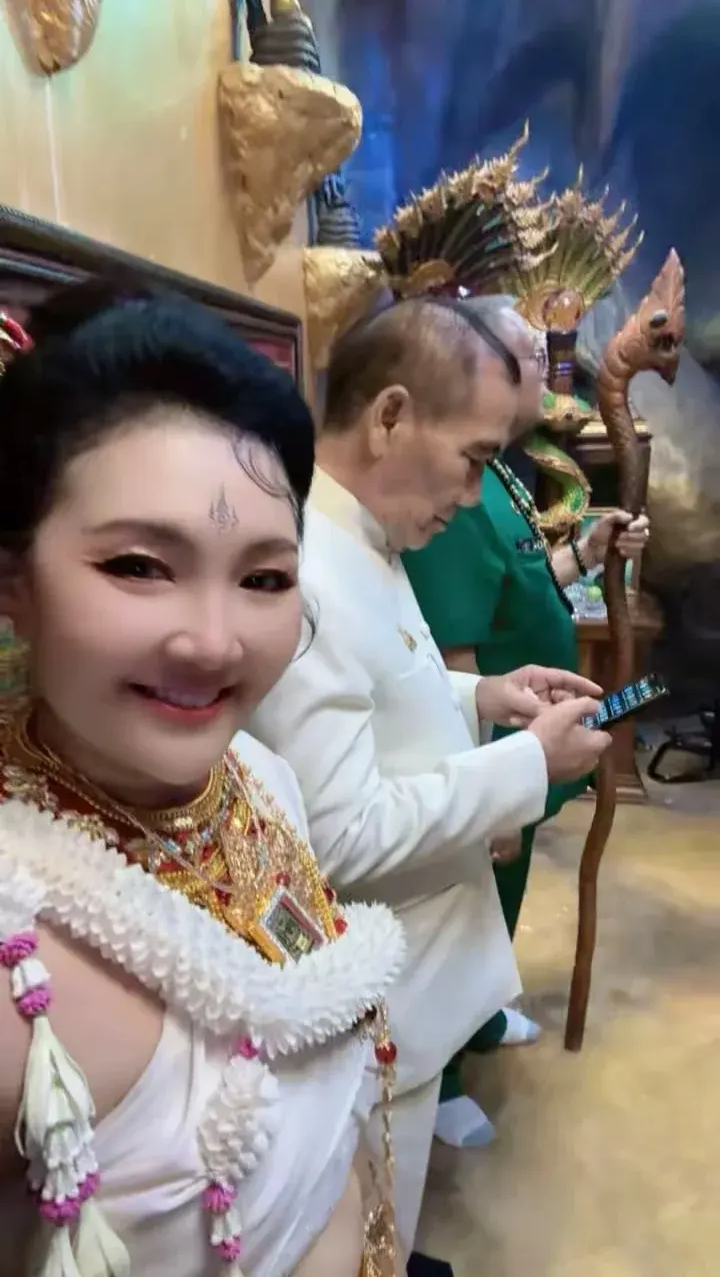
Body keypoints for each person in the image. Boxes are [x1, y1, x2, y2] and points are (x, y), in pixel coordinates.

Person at [0, 290, 406, 1277]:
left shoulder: (261, 777)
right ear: (12, 582)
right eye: (141, 565)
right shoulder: (18, 949)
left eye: (264, 578)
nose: (215, 642)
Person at [250, 298, 612, 1259]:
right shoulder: (308, 571)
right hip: (375, 1004)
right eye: (473, 457)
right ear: (391, 417)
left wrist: (481, 694)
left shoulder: (363, 536)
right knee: (371, 1234)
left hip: (411, 991)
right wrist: (526, 766)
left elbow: (387, 687)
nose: (477, 488)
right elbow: (337, 833)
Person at [403, 294, 649, 1072]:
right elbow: (456, 655)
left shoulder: (504, 473)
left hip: (528, 731)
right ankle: (439, 1079)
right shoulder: (457, 494)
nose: (550, 376)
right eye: (537, 360)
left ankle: (477, 1020)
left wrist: (589, 550)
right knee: (464, 904)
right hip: (493, 737)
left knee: (499, 897)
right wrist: (489, 785)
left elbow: (528, 583)